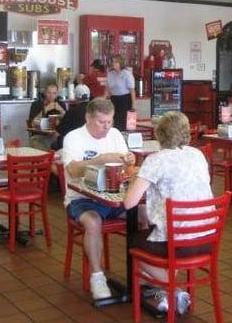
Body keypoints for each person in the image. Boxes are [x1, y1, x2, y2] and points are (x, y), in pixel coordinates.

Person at [123, 111, 213, 314]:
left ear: (159, 134)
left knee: (133, 241)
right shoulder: (198, 154)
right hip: (207, 238)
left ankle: (173, 289)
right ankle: (168, 286)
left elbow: (129, 203)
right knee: (151, 221)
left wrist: (132, 181)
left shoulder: (156, 160)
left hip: (178, 244)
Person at [62, 97, 136, 300]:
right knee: (93, 222)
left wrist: (130, 159)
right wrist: (99, 160)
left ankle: (142, 272)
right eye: (101, 122)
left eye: (110, 122)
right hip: (81, 199)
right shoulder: (73, 138)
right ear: (88, 118)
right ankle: (97, 276)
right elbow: (72, 170)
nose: (106, 127)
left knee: (143, 215)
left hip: (114, 198)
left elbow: (127, 167)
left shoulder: (115, 135)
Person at [28, 83, 66, 150]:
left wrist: (61, 110)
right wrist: (45, 109)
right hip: (40, 135)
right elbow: (32, 124)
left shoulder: (61, 104)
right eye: (49, 93)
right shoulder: (36, 104)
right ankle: (46, 158)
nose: (51, 96)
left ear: (57, 94)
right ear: (45, 93)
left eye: (54, 93)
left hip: (56, 136)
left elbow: (67, 120)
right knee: (35, 140)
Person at [51, 86, 90, 151]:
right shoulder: (94, 109)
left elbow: (58, 132)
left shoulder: (72, 111)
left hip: (70, 146)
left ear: (75, 96)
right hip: (88, 144)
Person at [106, 54, 136, 131]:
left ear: (120, 63)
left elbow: (132, 91)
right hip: (114, 99)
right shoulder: (110, 74)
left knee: (123, 122)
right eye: (113, 62)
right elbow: (108, 90)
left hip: (125, 100)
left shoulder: (126, 74)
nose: (114, 64)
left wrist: (133, 105)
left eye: (116, 62)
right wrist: (103, 100)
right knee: (114, 121)